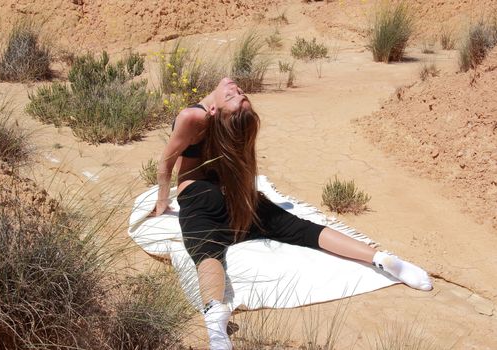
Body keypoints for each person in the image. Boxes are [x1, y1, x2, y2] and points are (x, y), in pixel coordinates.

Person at [155, 77, 432, 350]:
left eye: (235, 95)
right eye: (237, 92)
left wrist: (161, 202)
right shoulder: (236, 125)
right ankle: (382, 259)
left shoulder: (192, 116)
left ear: (214, 112)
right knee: (301, 229)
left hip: (199, 192)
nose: (235, 88)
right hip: (232, 191)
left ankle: (216, 321)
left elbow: (166, 162)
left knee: (207, 251)